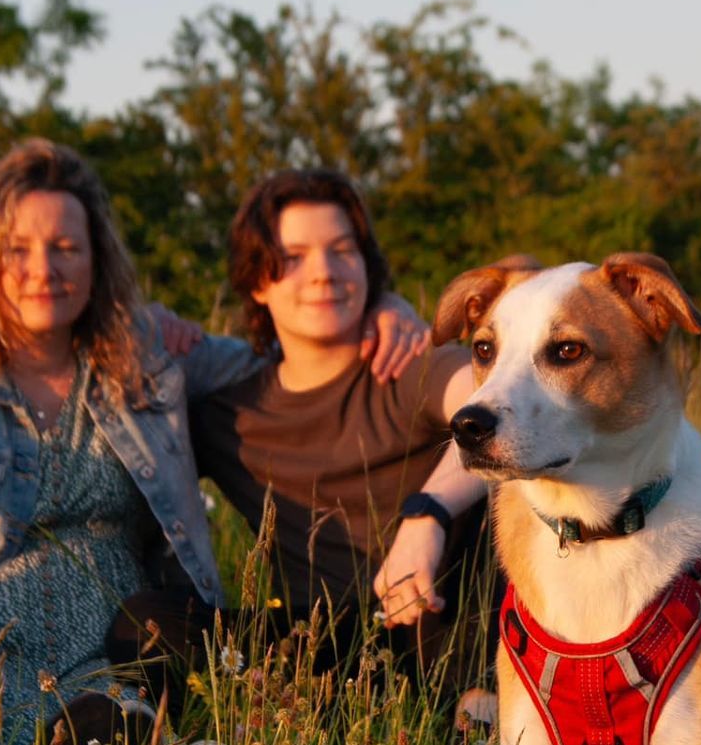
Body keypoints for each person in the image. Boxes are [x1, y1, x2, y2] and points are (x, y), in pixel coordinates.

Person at [0, 141, 426, 745]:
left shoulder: (147, 357)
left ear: (96, 261)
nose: (44, 269)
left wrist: (381, 309)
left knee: (135, 699)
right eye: (17, 250)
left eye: (66, 248)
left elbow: (287, 365)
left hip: (127, 643)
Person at [181, 169, 493, 682]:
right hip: (324, 650)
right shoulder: (228, 416)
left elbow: (492, 409)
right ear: (259, 281)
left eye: (343, 250)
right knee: (148, 621)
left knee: (505, 495)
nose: (325, 273)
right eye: (295, 258)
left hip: (439, 622)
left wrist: (427, 513)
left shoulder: (408, 361)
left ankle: (475, 705)